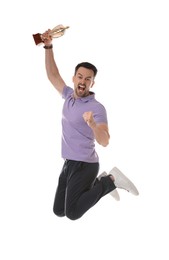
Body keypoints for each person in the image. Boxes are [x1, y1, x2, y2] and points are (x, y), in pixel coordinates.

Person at [41, 29, 139, 221]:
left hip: (85, 165)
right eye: (80, 76)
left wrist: (93, 124)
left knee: (73, 213)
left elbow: (105, 141)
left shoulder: (97, 108)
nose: (83, 81)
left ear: (92, 83)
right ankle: (99, 184)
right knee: (58, 210)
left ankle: (109, 181)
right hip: (68, 163)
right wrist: (48, 46)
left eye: (88, 79)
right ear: (74, 78)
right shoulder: (68, 96)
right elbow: (53, 75)